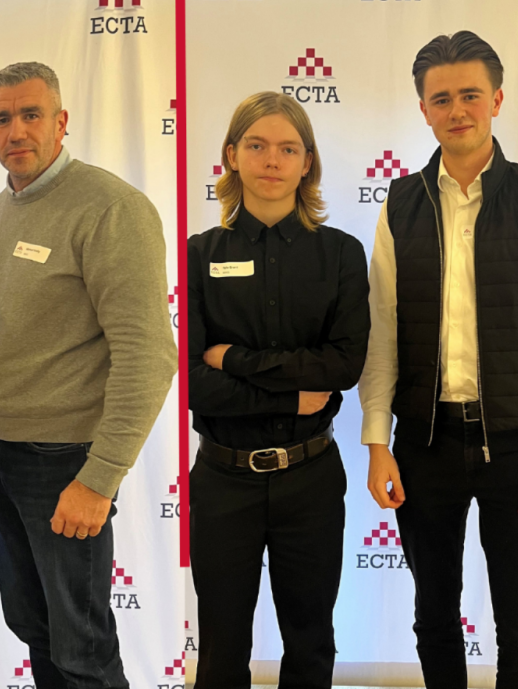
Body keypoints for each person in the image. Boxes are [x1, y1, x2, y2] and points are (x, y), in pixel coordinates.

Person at [0, 62, 176, 689]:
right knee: (35, 628)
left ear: (61, 122)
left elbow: (148, 355)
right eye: (2, 119)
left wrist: (98, 478)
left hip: (66, 464)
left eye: (31, 114)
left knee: (82, 650)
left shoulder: (111, 209)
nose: (17, 130)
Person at [359, 31, 518, 689]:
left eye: (469, 95)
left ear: (496, 99)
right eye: (441, 99)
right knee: (433, 616)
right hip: (424, 445)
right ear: (423, 110)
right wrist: (377, 442)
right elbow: (383, 332)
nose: (456, 109)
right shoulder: (400, 204)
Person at [187, 92, 369, 688]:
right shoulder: (198, 255)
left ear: (307, 161)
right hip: (222, 481)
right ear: (231, 155)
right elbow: (196, 385)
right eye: (257, 145)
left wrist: (235, 359)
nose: (272, 160)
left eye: (288, 149)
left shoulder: (341, 254)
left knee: (311, 644)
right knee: (220, 651)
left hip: (309, 479)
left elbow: (341, 366)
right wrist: (288, 396)